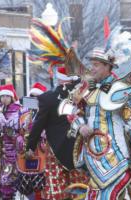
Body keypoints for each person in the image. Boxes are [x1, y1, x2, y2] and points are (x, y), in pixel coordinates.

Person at [66, 47, 131, 199]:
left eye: (96, 65)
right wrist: (80, 125)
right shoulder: (84, 89)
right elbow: (70, 111)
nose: (91, 68)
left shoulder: (118, 91)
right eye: (91, 64)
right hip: (92, 157)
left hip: (116, 156)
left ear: (107, 66)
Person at [26, 67, 88, 200]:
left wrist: (30, 146)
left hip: (55, 149)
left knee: (56, 188)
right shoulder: (84, 95)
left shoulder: (47, 98)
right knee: (80, 186)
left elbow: (38, 125)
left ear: (59, 78)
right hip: (79, 149)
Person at [16, 82, 47, 199]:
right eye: (32, 96)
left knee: (41, 184)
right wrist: (20, 138)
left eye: (37, 97)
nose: (34, 99)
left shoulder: (46, 113)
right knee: (26, 185)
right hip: (26, 152)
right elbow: (18, 132)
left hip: (41, 151)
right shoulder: (23, 114)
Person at [0, 84, 21, 200]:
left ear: (12, 97)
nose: (4, 98)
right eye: (2, 96)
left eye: (7, 96)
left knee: (12, 175)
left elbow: (18, 128)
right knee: (1, 177)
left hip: (14, 149)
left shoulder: (18, 109)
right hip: (0, 150)